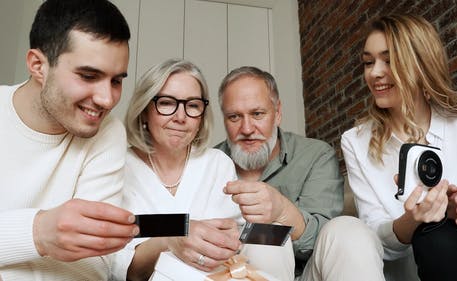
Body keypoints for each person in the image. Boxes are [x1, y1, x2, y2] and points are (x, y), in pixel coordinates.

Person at [341, 14, 457, 281]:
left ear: (421, 64)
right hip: (414, 269)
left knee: (440, 228)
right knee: (431, 229)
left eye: (389, 61)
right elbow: (372, 240)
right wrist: (413, 220)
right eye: (368, 62)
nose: (374, 72)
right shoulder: (355, 142)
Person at [112, 59, 293, 281]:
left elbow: (240, 233)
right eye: (167, 103)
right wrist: (170, 239)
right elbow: (116, 265)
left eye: (193, 105)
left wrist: (276, 219)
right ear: (144, 110)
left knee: (276, 237)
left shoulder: (217, 162)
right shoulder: (117, 166)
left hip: (223, 274)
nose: (181, 117)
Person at [0, 0, 140, 280]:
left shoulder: (108, 132)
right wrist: (38, 232)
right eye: (88, 76)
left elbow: (93, 263)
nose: (107, 99)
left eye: (116, 81)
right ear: (38, 65)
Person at [216, 66, 385, 281]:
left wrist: (283, 211)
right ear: (223, 119)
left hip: (309, 274)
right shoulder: (206, 163)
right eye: (234, 117)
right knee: (265, 237)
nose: (247, 128)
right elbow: (170, 226)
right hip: (230, 274)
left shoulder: (315, 155)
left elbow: (325, 238)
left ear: (277, 113)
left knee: (350, 230)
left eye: (257, 114)